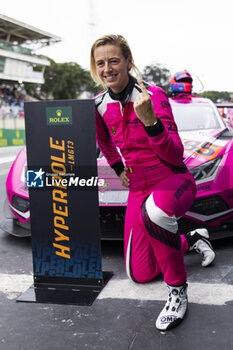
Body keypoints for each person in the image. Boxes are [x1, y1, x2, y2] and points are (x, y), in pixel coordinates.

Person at [90, 34, 215, 331]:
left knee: (157, 214)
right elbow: (104, 140)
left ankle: (177, 291)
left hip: (172, 178)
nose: (107, 68)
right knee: (141, 273)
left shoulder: (153, 96)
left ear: (128, 62)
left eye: (114, 61)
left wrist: (151, 122)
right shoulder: (98, 105)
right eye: (101, 63)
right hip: (137, 187)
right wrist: (118, 166)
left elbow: (175, 153)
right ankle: (193, 238)